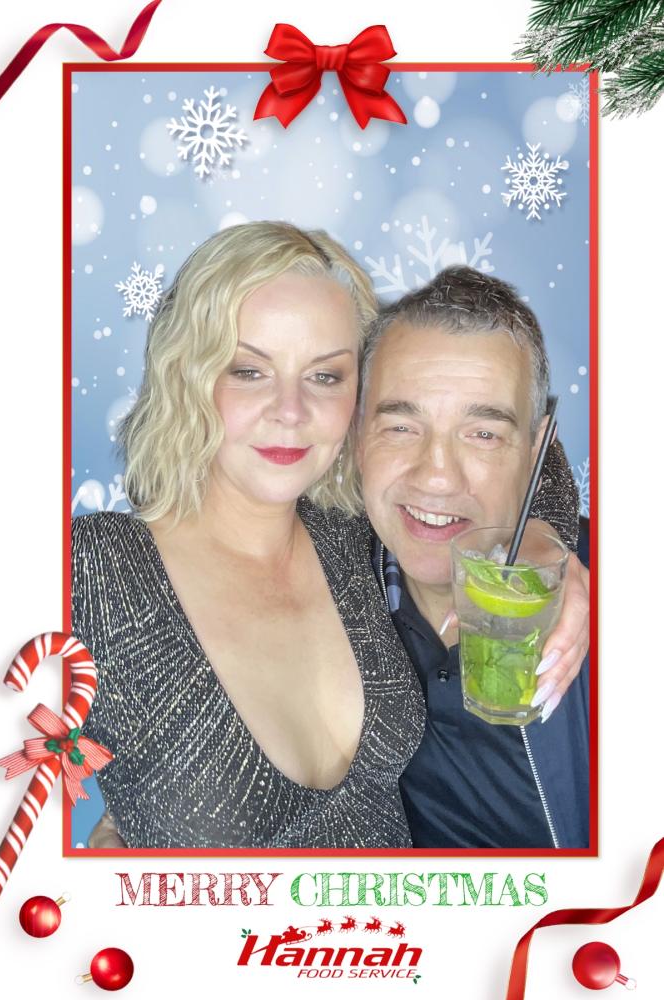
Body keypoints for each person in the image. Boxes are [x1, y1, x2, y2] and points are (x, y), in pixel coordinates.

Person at [72, 221, 427, 849]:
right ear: (188, 375)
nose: (290, 411)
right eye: (248, 371)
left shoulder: (357, 533)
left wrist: (544, 538)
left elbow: (508, 443)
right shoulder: (94, 569)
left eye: (325, 376)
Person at [358, 266, 590, 848]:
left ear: (536, 450)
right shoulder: (332, 580)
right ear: (357, 434)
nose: (437, 476)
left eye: (483, 434)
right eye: (401, 426)